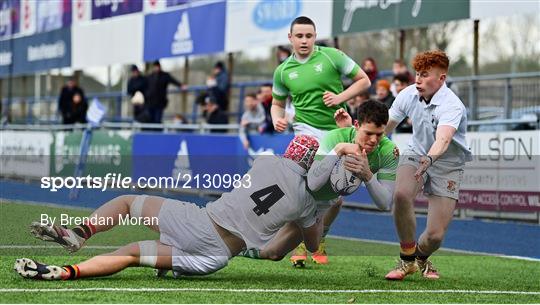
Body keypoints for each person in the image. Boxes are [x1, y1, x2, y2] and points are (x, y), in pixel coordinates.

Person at [14, 136, 324, 281]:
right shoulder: (306, 202)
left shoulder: (266, 161)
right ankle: (67, 273)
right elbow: (311, 244)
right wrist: (323, 203)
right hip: (215, 259)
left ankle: (78, 234)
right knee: (132, 255)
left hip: (201, 225)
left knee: (126, 203)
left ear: (290, 152)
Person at [271, 15, 371, 265]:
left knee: (336, 196)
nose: (304, 41)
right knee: (301, 187)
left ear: (315, 36)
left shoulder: (332, 56)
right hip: (305, 132)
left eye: (309, 36)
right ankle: (300, 245)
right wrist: (277, 119)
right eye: (299, 36)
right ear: (290, 38)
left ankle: (319, 235)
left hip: (338, 132)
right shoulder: (283, 71)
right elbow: (277, 104)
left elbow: (364, 81)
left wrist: (340, 98)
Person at [383, 50, 472, 281]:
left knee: (435, 236)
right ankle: (406, 259)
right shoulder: (408, 94)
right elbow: (386, 126)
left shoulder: (452, 105)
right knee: (401, 194)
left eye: (425, 75)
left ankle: (420, 258)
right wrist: (366, 144)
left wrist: (430, 160)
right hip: (415, 152)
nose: (418, 79)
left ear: (441, 78)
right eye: (416, 73)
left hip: (447, 163)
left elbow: (443, 140)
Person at [289, 100, 399, 267]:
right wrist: (339, 149)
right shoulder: (335, 137)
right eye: (368, 133)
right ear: (356, 125)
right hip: (298, 196)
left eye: (380, 134)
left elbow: (385, 203)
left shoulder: (388, 151)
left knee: (335, 203)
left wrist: (368, 176)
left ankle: (319, 239)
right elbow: (312, 184)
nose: (373, 140)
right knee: (272, 252)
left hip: (326, 201)